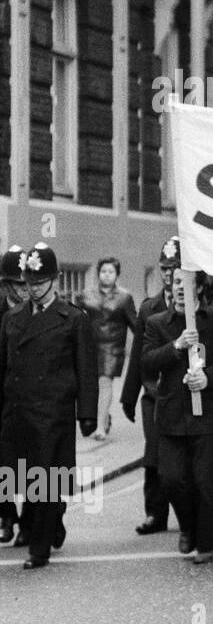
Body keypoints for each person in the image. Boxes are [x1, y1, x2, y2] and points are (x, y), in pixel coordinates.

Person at [0, 243, 97, 568]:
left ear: (54, 280)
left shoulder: (72, 319)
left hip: (52, 413)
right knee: (20, 478)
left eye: (40, 282)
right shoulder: (13, 318)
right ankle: (47, 521)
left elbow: (86, 369)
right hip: (17, 412)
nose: (34, 288)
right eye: (29, 282)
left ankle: (39, 549)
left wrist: (87, 413)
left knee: (45, 478)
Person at [142, 266, 213, 565]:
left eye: (187, 282)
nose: (181, 288)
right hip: (172, 417)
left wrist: (210, 378)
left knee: (206, 482)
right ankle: (188, 526)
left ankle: (206, 543)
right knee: (171, 479)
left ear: (199, 287)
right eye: (175, 282)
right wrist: (176, 346)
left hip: (209, 417)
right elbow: (146, 362)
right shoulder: (157, 323)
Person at [121, 236, 182, 536]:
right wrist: (128, 397)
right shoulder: (149, 308)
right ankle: (155, 513)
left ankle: (191, 512)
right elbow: (138, 358)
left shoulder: (199, 306)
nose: (169, 274)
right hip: (154, 395)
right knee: (154, 455)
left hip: (188, 394)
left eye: (175, 267)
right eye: (164, 268)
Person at [79, 257, 137, 441]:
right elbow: (76, 320)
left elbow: (135, 323)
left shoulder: (124, 297)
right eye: (103, 271)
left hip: (112, 347)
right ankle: (102, 417)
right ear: (98, 273)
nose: (106, 275)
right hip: (90, 346)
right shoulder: (86, 295)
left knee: (104, 383)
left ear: (117, 275)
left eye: (111, 272)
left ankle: (100, 427)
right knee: (91, 386)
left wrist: (146, 341)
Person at [0, 245, 29, 543]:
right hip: (3, 393)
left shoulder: (37, 308)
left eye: (27, 282)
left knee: (33, 462)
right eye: (18, 284)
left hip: (32, 395)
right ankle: (7, 515)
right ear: (6, 284)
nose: (24, 289)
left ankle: (33, 521)